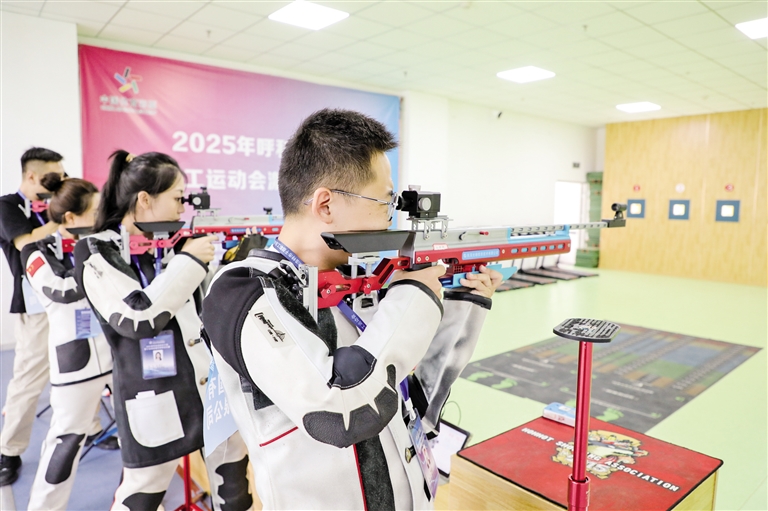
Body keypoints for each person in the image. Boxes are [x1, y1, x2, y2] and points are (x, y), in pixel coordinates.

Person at [202, 109, 503, 509]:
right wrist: (413, 294)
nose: (390, 217)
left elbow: (399, 386)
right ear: (326, 205)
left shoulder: (353, 279)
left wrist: (463, 304)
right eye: (384, 201)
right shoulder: (242, 291)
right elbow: (340, 412)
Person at [73, 150, 253, 511]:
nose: (182, 209)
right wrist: (190, 259)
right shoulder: (95, 250)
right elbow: (137, 317)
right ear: (144, 199)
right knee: (143, 494)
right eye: (177, 198)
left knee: (235, 491)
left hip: (210, 389)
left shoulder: (171, 243)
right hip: (153, 397)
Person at [0, 148, 108, 486]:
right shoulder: (8, 206)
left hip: (76, 298)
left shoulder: (57, 205)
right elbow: (26, 243)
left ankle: (90, 428)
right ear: (32, 175)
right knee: (28, 378)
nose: (59, 181)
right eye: (54, 176)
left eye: (62, 176)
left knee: (86, 365)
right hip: (35, 306)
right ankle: (9, 450)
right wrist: (62, 217)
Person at [21, 173, 116, 510]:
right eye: (95, 212)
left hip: (119, 354)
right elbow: (60, 290)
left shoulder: (106, 242)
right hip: (75, 363)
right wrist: (98, 260)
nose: (102, 219)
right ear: (71, 218)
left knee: (140, 439)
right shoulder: (35, 250)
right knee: (66, 443)